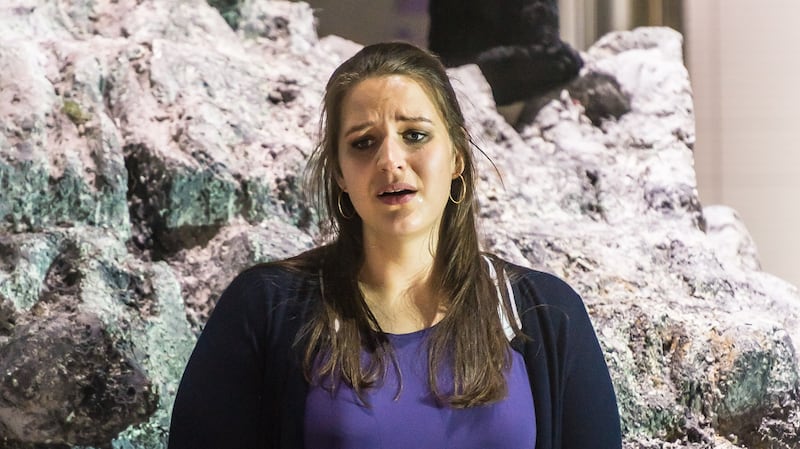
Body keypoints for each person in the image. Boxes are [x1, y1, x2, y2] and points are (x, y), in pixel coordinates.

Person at [168, 42, 621, 449]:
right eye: (363, 143)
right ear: (341, 175)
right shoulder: (265, 308)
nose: (390, 160)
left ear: (458, 156)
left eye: (415, 135)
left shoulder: (546, 314)